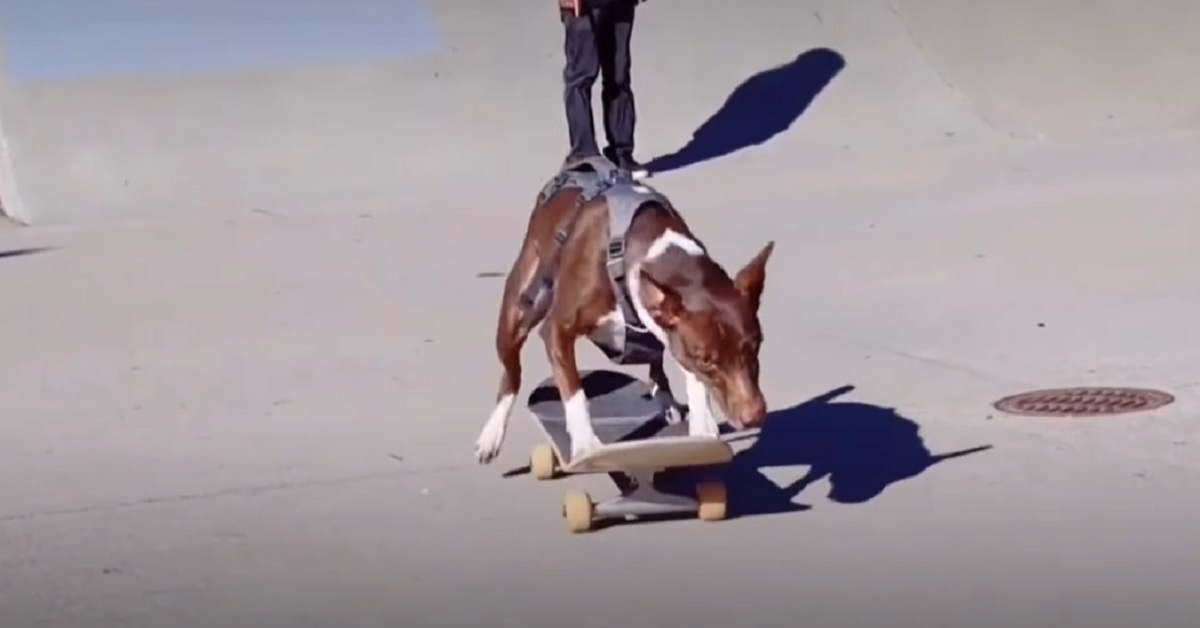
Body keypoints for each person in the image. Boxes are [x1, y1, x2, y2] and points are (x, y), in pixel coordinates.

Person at [559, 0, 649, 179]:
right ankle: (583, 153)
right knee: (581, 77)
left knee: (618, 76)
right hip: (583, 7)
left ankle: (621, 153)